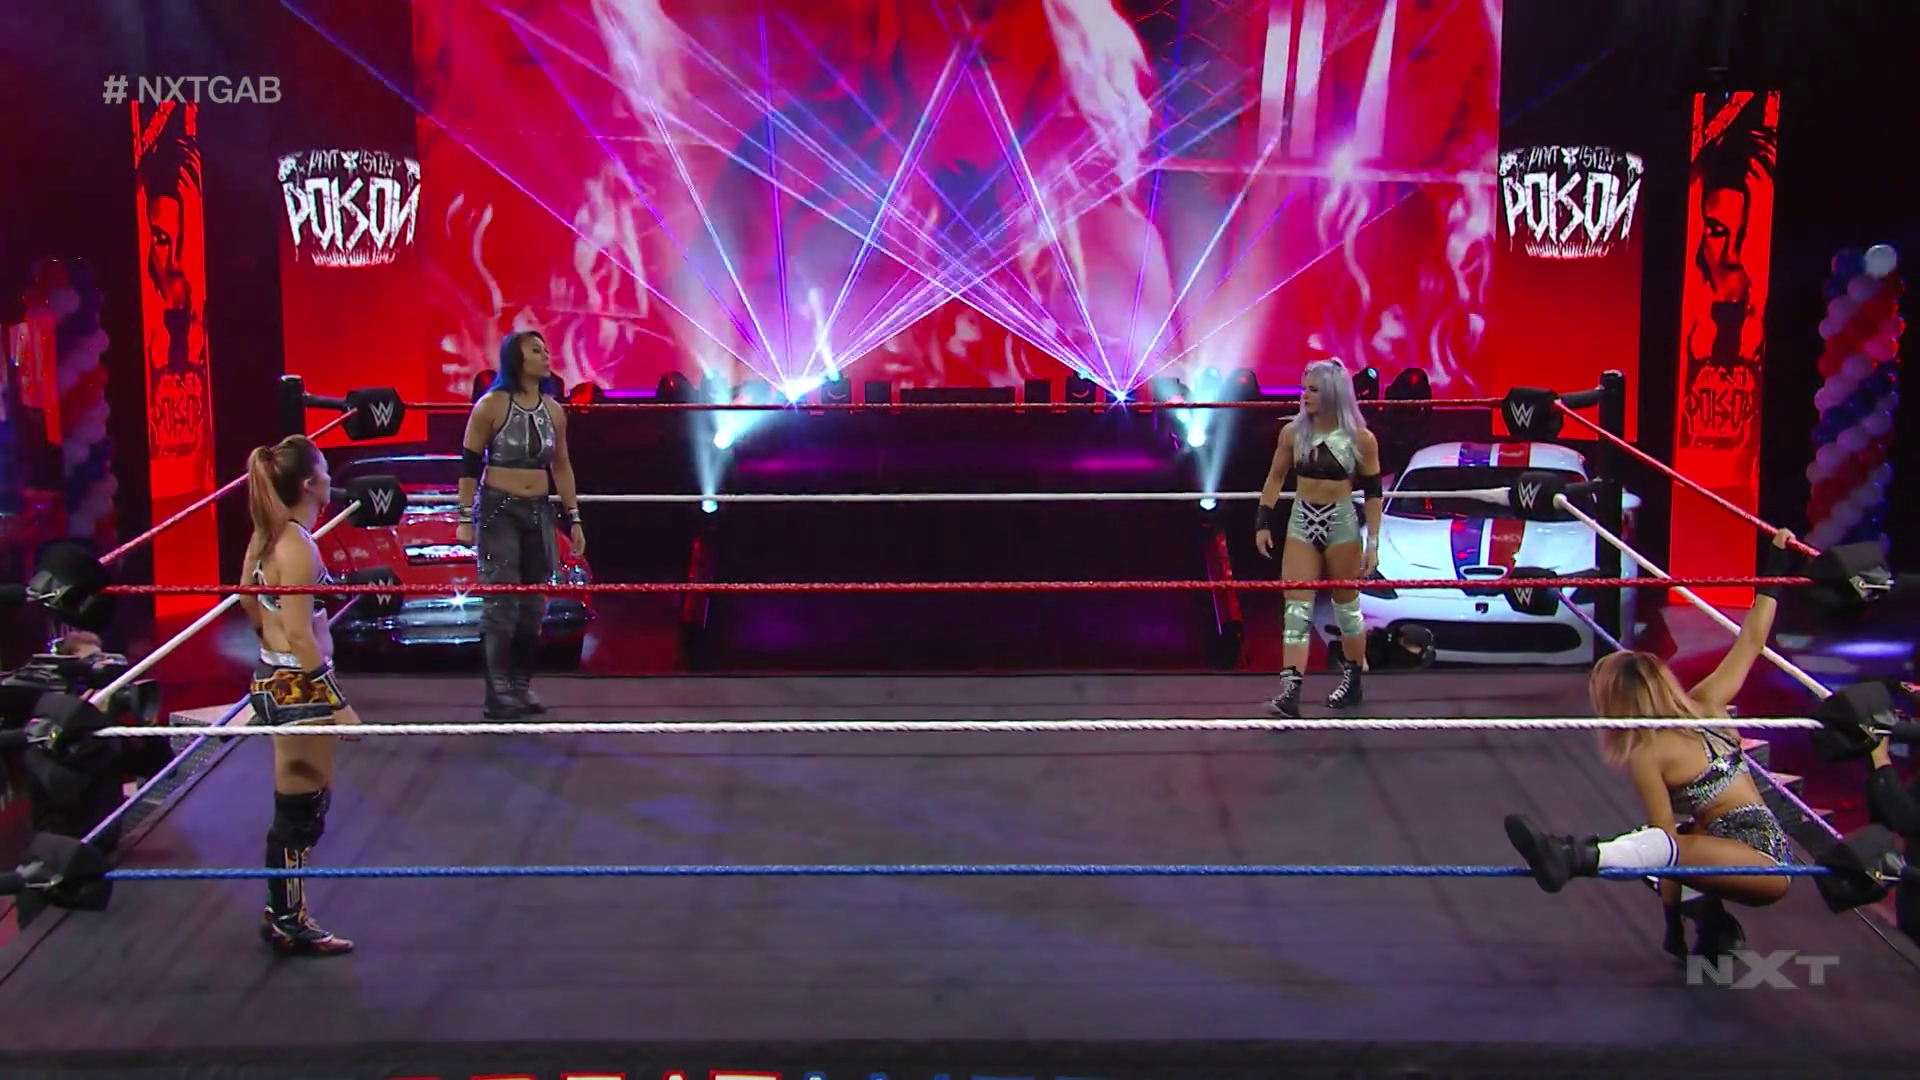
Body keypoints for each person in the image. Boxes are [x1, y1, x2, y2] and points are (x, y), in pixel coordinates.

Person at [1503, 529, 1799, 960]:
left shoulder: (1649, 753)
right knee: (1649, 844)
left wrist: (1671, 923)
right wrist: (1776, 568)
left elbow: (1665, 850)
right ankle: (1715, 927)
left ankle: (1574, 857)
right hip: (1729, 847)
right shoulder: (1707, 702)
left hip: (1761, 861)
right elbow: (1752, 640)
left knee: (1649, 849)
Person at [240, 434, 359, 956]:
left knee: (301, 803)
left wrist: (269, 649)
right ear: (310, 484)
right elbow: (299, 634)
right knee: (300, 810)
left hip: (275, 679)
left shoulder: (266, 535)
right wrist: (339, 703)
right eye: (326, 470)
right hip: (299, 688)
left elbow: (247, 599)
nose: (332, 478)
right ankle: (288, 918)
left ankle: (282, 911)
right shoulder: (297, 547)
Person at [456, 330, 585, 718]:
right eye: (536, 351)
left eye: (546, 350)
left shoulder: (554, 411)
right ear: (517, 359)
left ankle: (520, 687)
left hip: (538, 510)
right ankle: (496, 693)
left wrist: (574, 517)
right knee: (501, 600)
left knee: (532, 603)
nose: (546, 356)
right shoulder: (491, 405)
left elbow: (562, 465)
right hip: (499, 509)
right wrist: (465, 518)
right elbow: (468, 464)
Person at [1253, 360, 1383, 717]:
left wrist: (1373, 544)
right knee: (1296, 608)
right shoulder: (1292, 433)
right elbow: (1275, 478)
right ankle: (1290, 691)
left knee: (1347, 608)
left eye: (1313, 390)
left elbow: (1373, 494)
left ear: (1332, 394)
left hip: (1341, 523)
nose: (1304, 396)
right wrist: (1262, 522)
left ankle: (1353, 681)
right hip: (1301, 521)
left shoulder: (1361, 439)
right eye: (1304, 388)